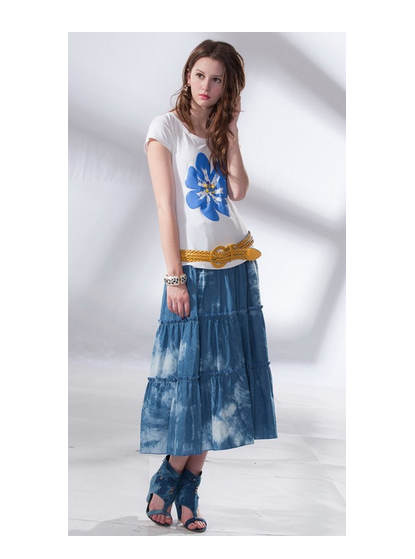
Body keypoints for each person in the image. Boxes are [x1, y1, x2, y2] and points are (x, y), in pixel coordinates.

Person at [140, 39, 278, 533]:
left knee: (221, 380)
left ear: (228, 87)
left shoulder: (220, 131)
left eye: (217, 79)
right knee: (192, 378)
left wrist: (232, 134)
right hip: (192, 271)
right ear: (187, 74)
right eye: (200, 75)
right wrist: (174, 276)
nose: (206, 86)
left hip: (235, 264)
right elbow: (165, 208)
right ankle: (170, 473)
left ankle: (189, 488)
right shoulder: (164, 129)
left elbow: (237, 190)